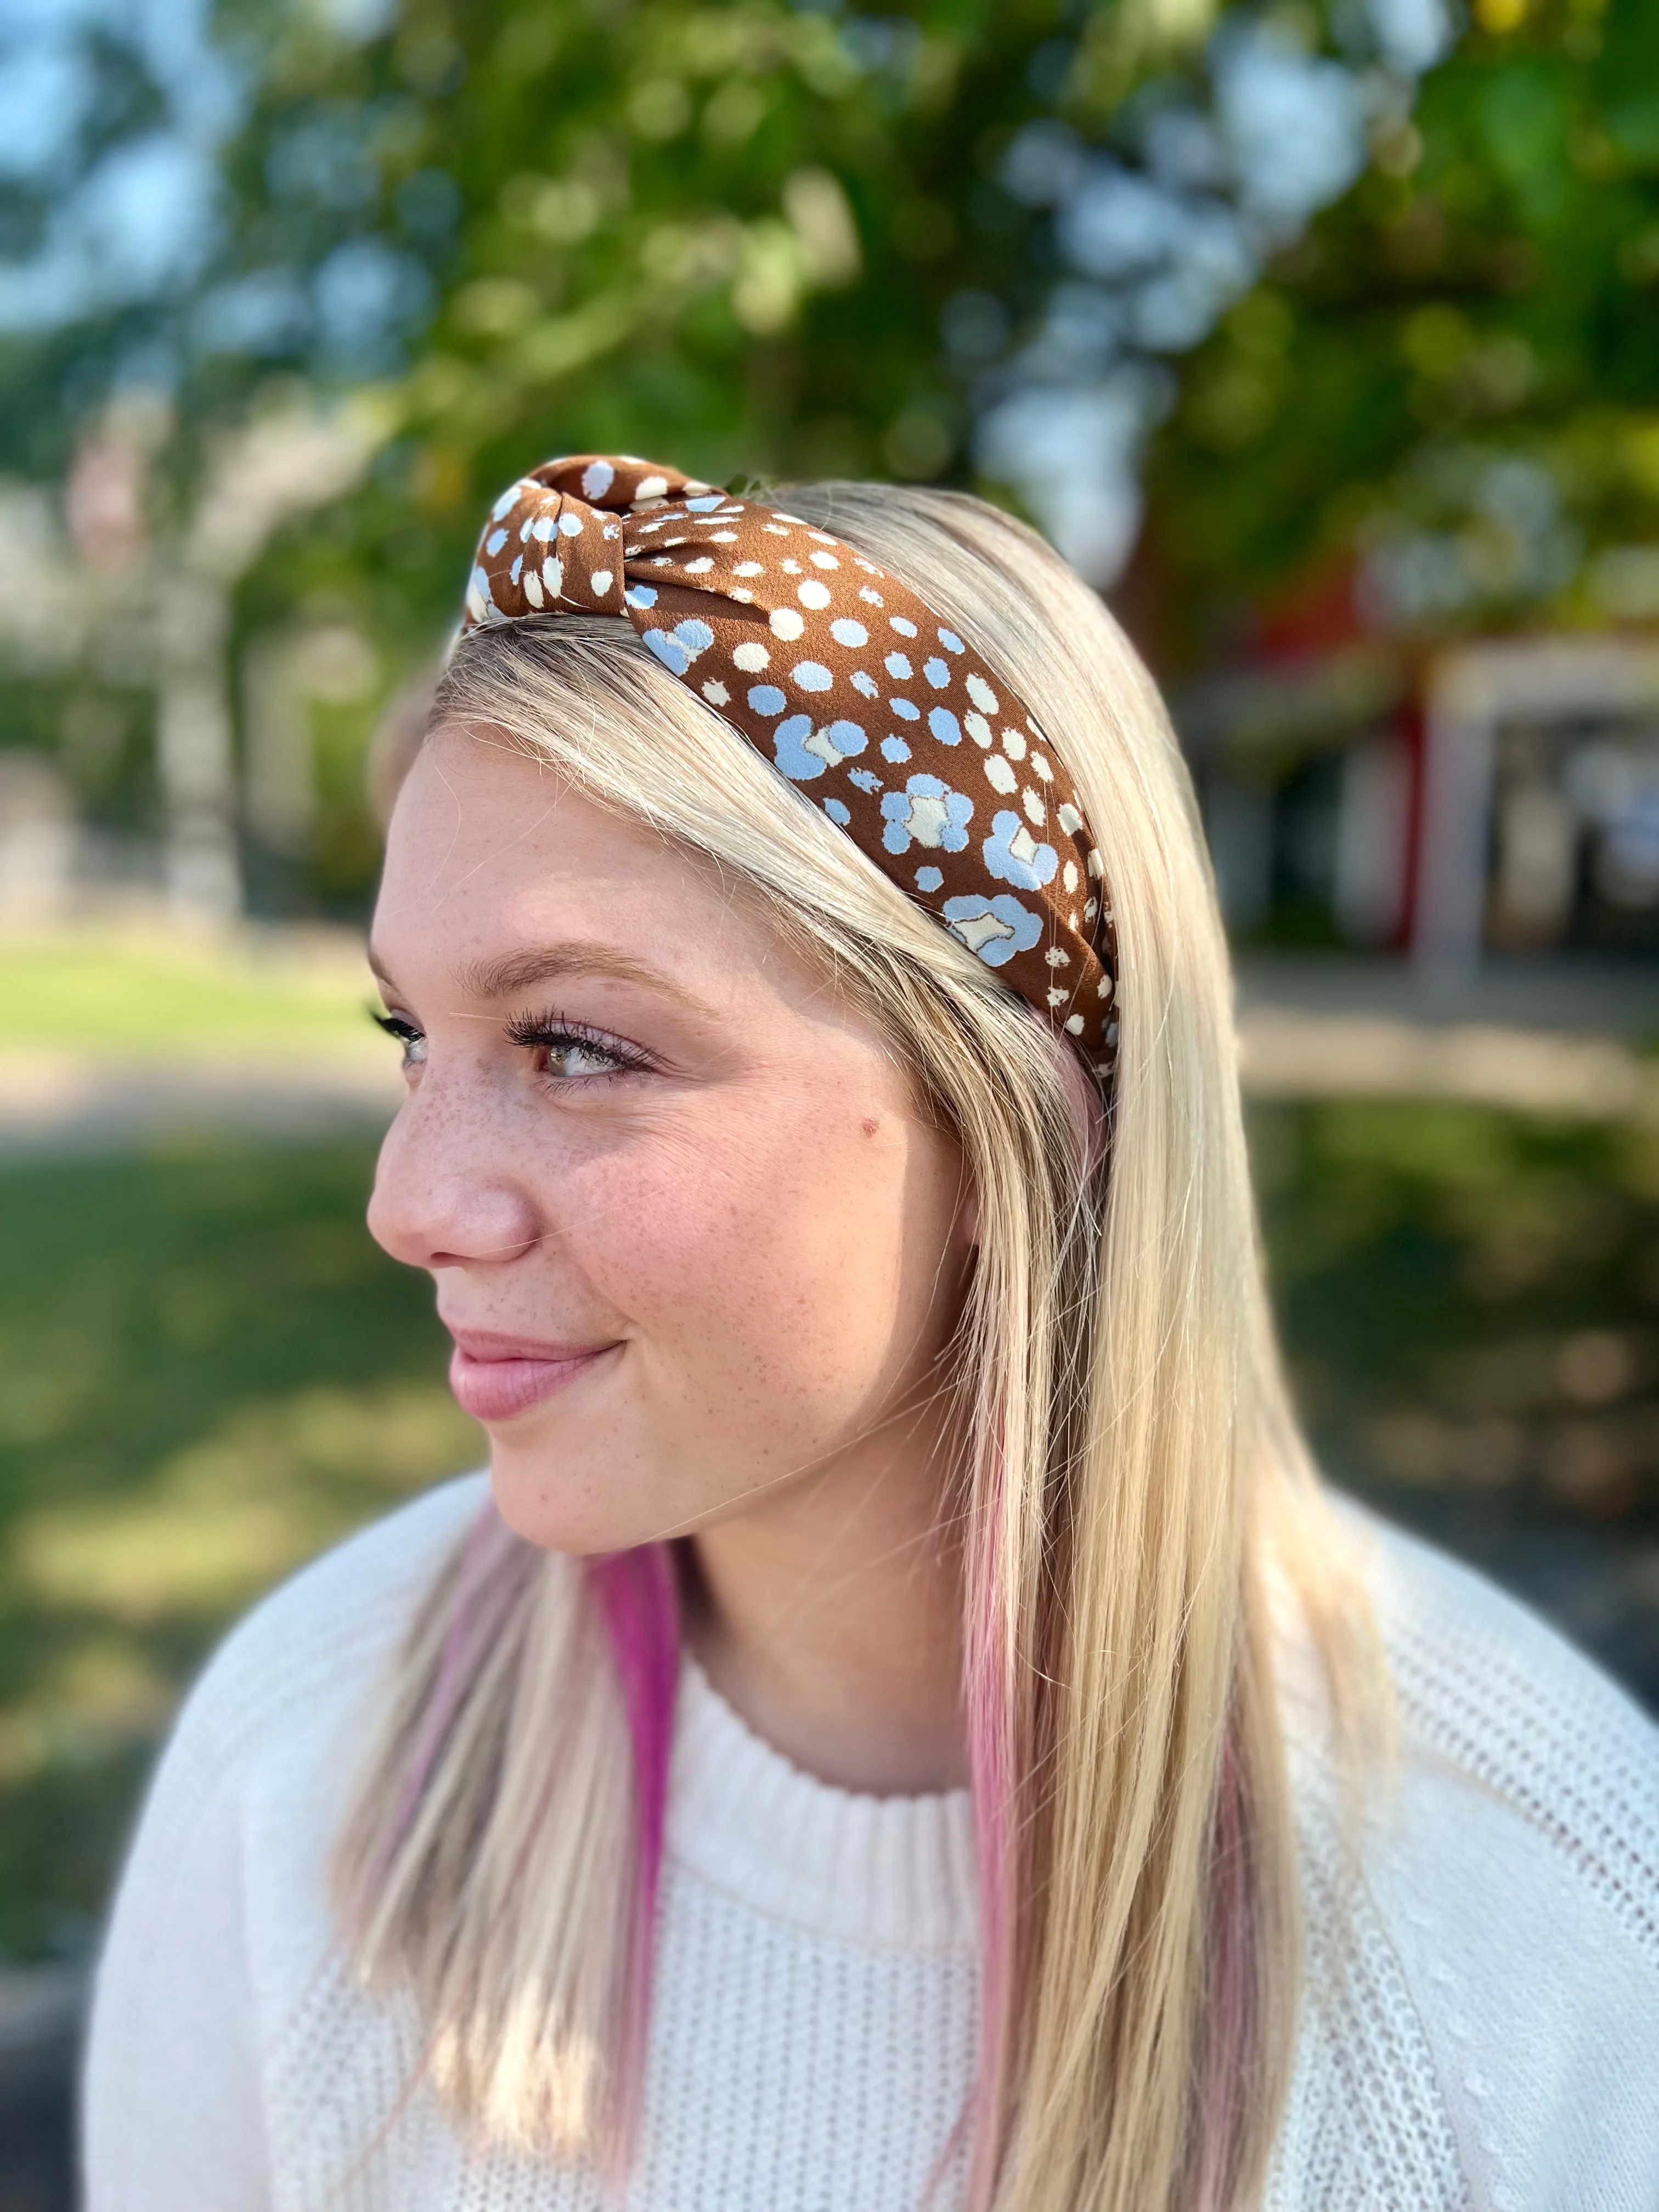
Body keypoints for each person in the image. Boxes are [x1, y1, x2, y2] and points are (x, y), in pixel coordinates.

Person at [84, 459, 1659, 2212]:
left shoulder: (1532, 1916)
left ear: (1015, 1123)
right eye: (411, 1031)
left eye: (578, 1046)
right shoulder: (308, 1766)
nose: (409, 1200)